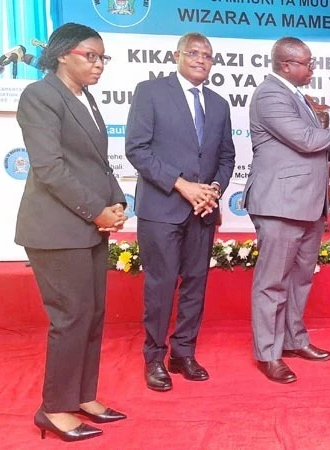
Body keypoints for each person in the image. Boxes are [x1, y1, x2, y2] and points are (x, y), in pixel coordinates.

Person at [16, 22, 127, 442]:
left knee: (93, 314)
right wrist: (95, 211)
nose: (98, 64)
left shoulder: (86, 98)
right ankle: (54, 408)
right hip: (56, 229)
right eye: (90, 56)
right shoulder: (40, 96)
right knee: (71, 317)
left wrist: (117, 202)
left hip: (88, 227)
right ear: (63, 54)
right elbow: (49, 169)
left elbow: (97, 162)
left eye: (102, 58)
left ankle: (82, 395)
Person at [243, 37, 330, 383]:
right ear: (286, 65)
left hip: (308, 204)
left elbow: (318, 148)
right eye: (307, 63)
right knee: (272, 283)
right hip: (281, 204)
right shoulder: (270, 95)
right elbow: (305, 140)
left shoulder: (298, 97)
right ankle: (268, 353)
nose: (312, 69)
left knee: (300, 279)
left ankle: (294, 340)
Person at [125, 32, 236, 391]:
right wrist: (183, 186)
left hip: (202, 211)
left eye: (208, 55)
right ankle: (154, 358)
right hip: (162, 208)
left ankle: (183, 352)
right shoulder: (150, 92)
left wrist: (213, 190)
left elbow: (226, 156)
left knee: (196, 284)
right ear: (176, 56)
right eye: (194, 53)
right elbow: (137, 150)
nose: (201, 60)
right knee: (160, 287)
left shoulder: (219, 104)